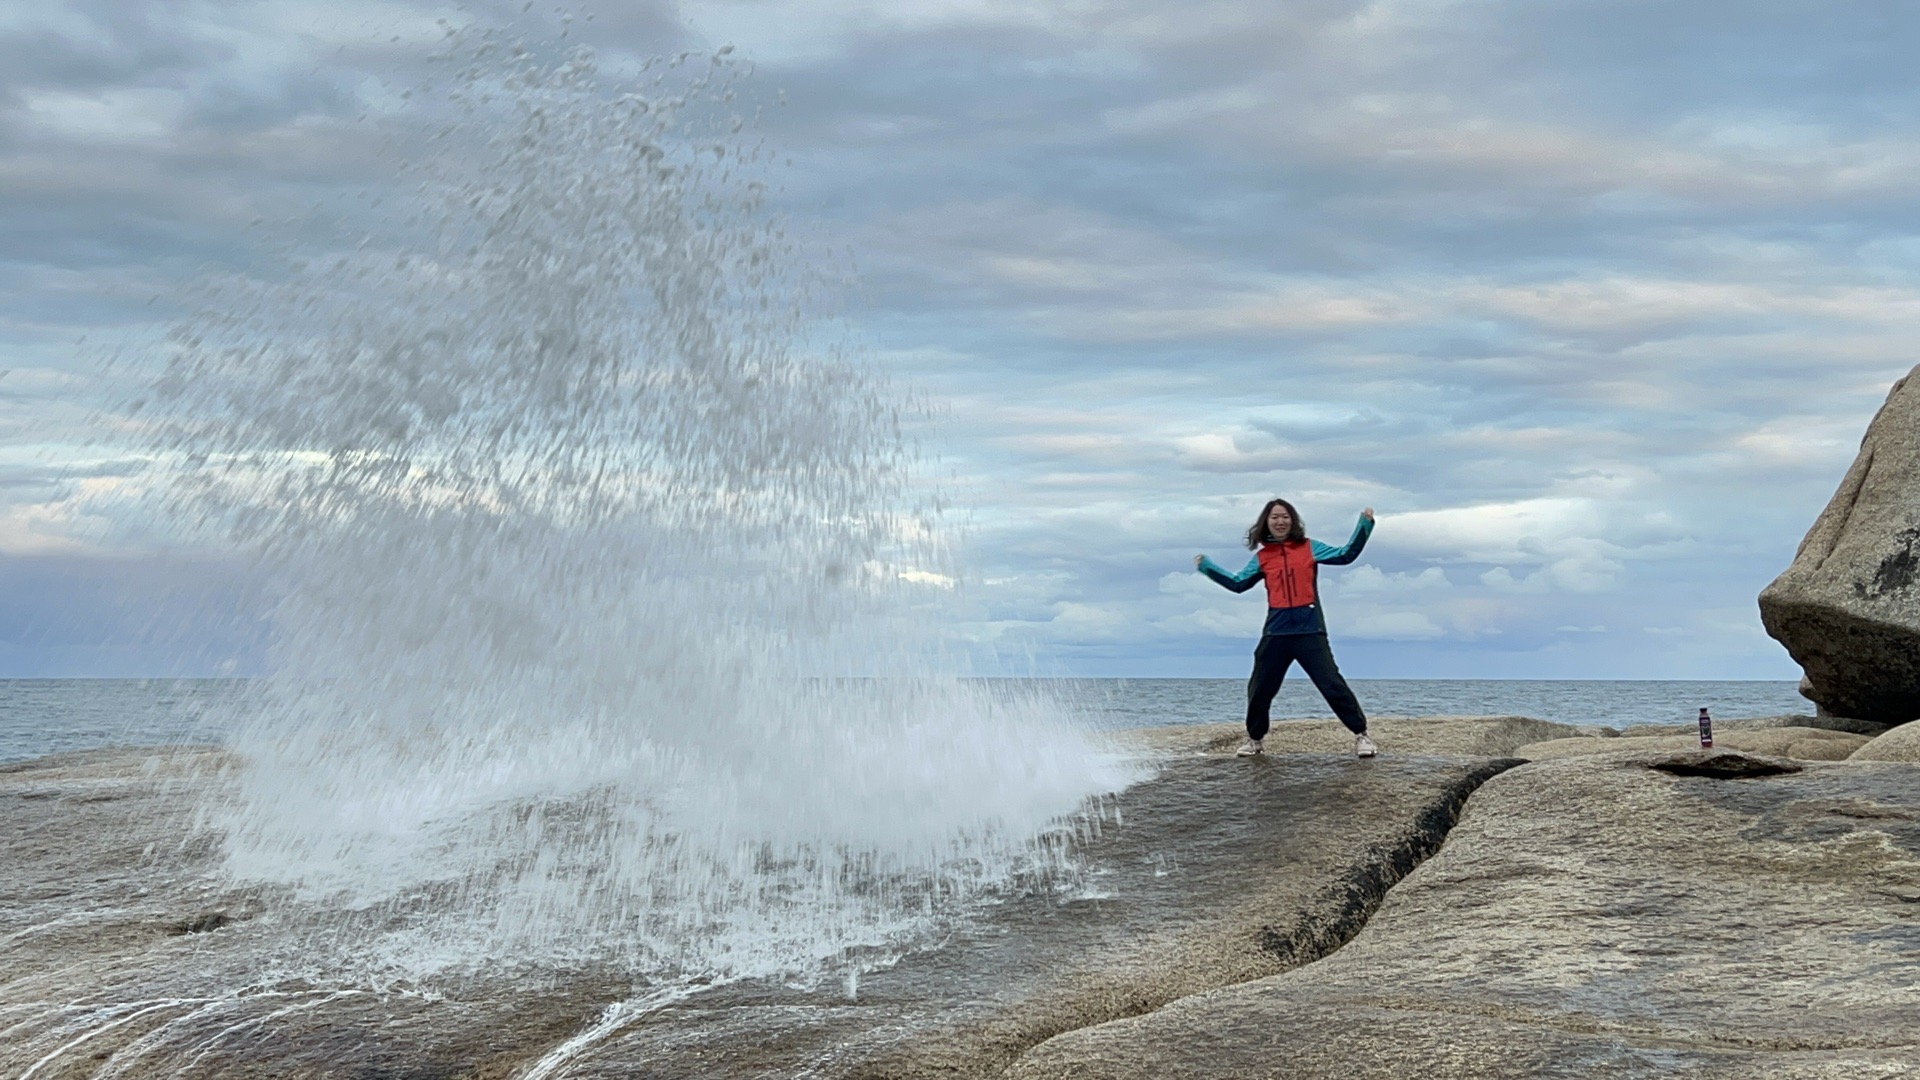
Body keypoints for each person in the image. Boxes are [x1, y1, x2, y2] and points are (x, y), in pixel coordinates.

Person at [1194, 499, 1377, 758]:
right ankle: (1255, 739)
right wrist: (1207, 567)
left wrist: (1365, 524)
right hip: (1276, 632)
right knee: (1260, 688)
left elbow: (1345, 554)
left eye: (1285, 517)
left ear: (1293, 521)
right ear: (1266, 523)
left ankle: (1361, 735)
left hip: (1309, 630)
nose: (1280, 522)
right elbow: (1238, 584)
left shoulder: (1310, 547)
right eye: (1274, 517)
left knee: (1331, 684)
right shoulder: (1263, 557)